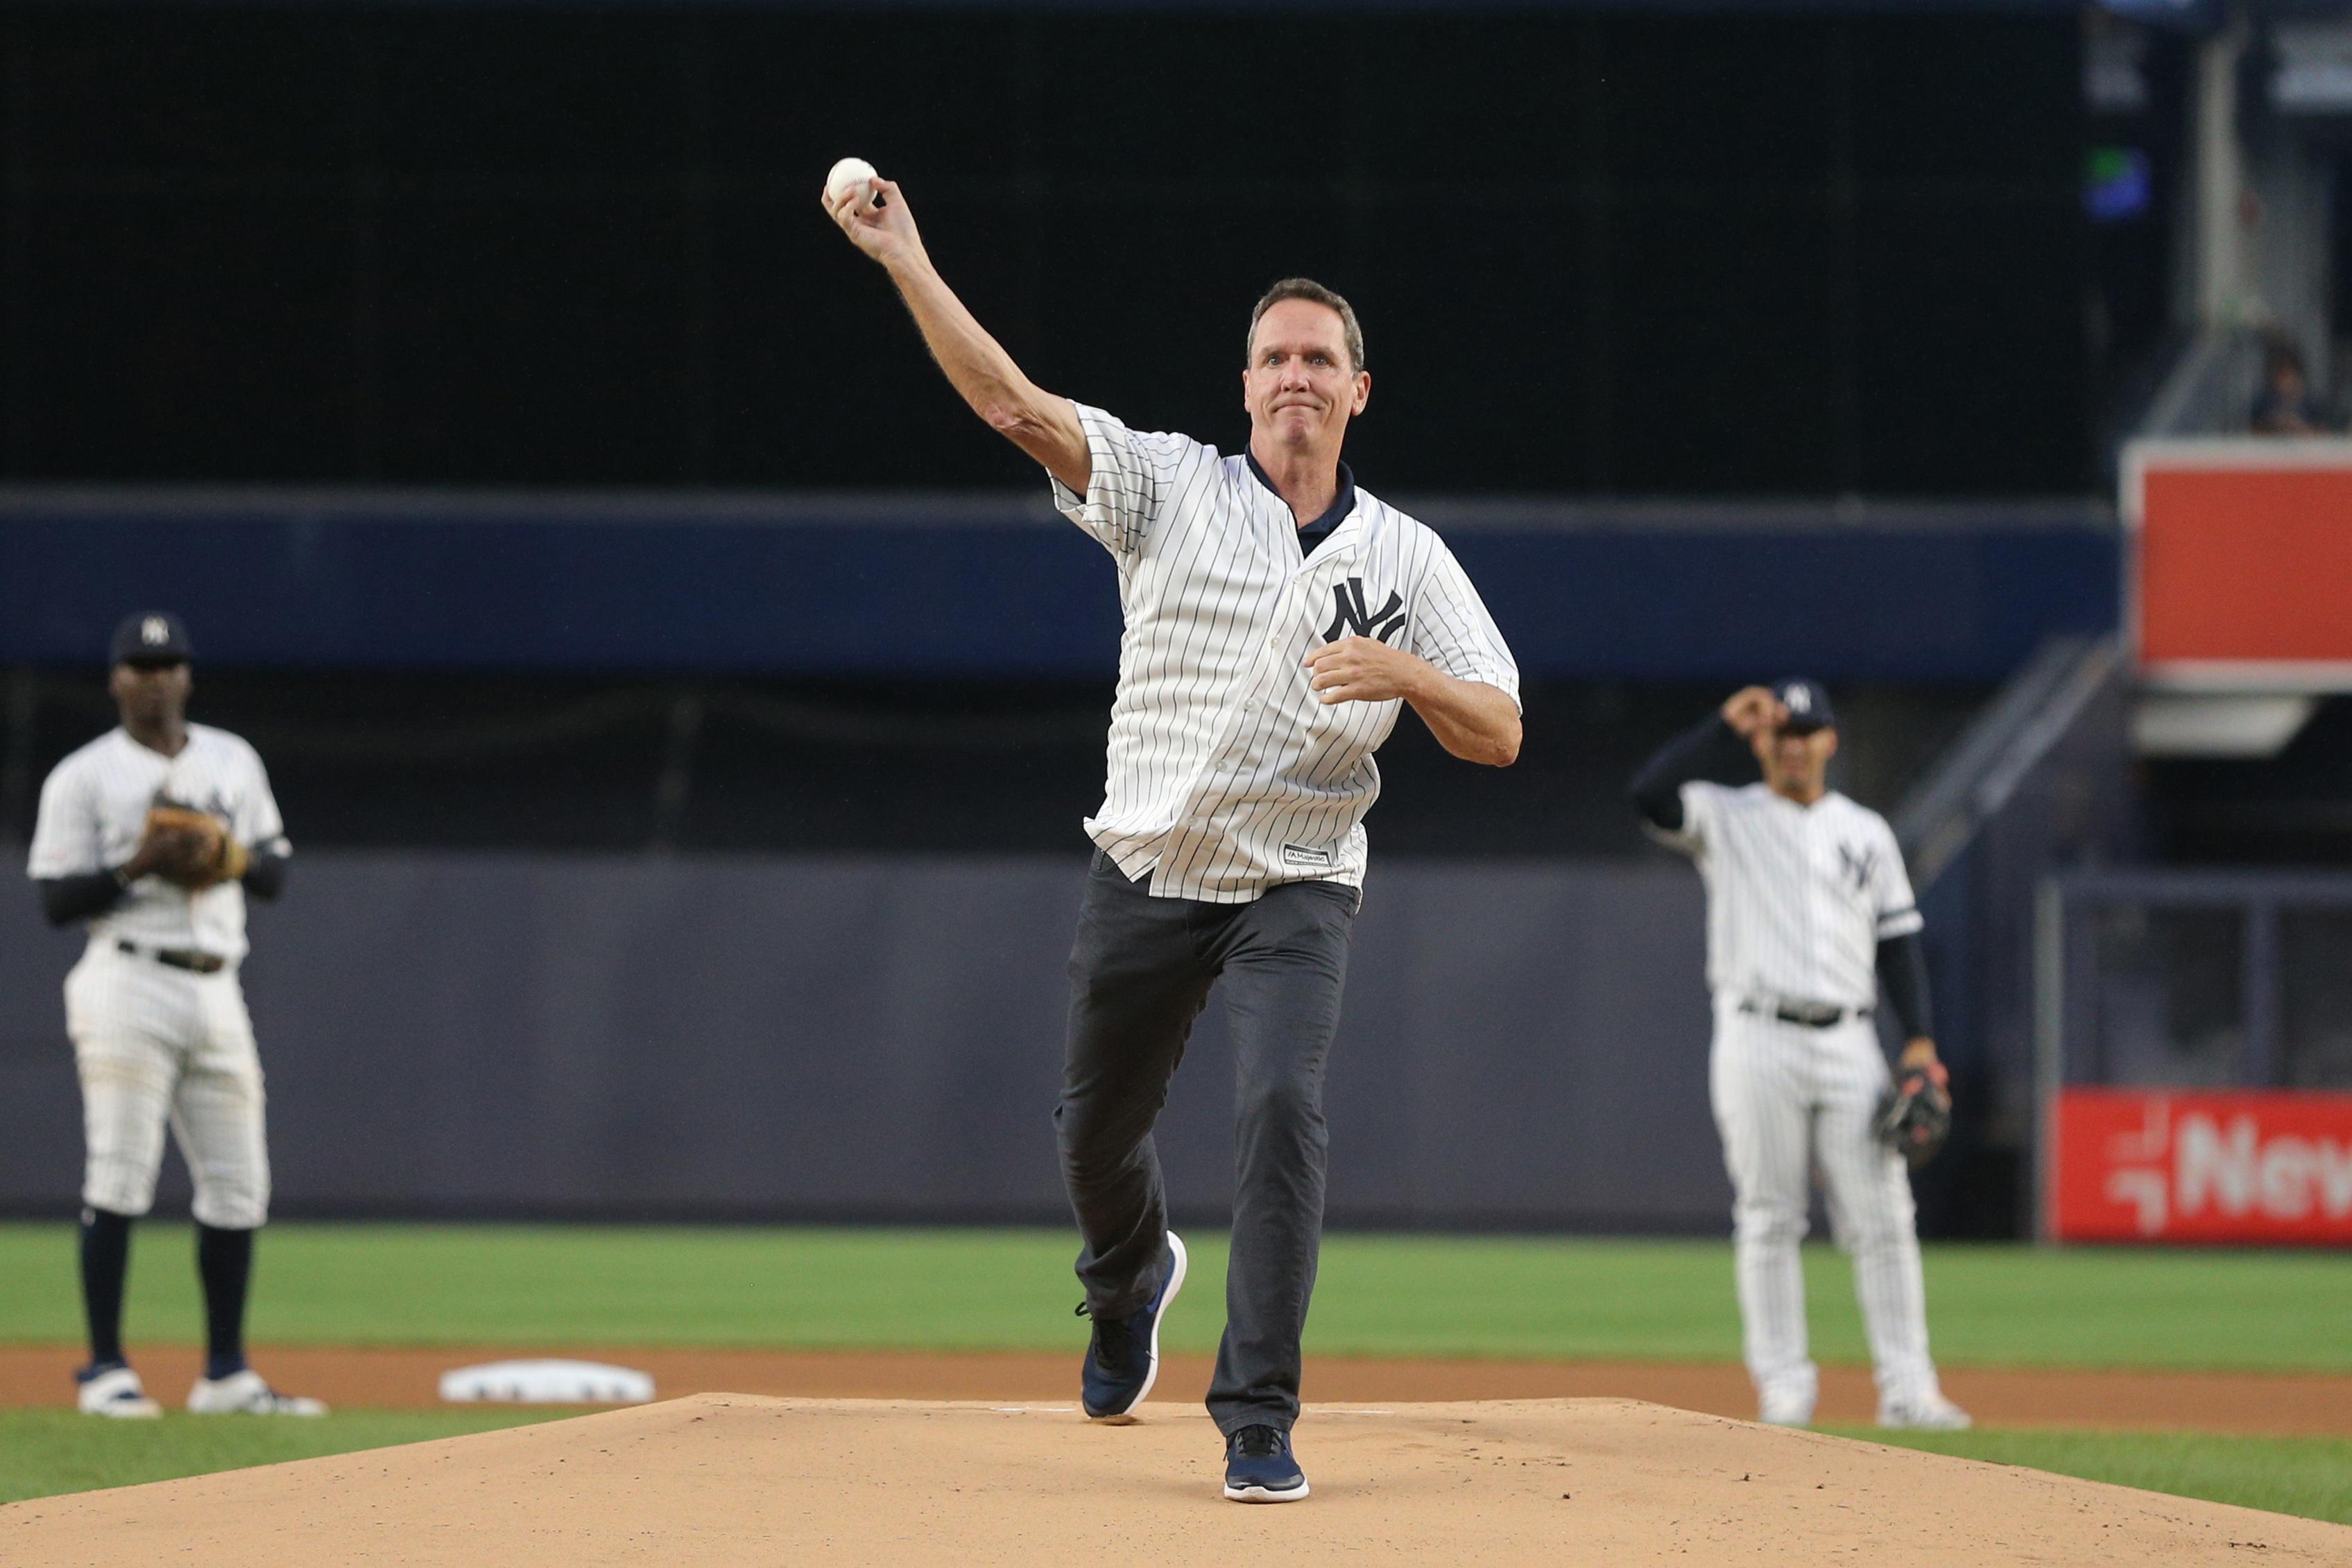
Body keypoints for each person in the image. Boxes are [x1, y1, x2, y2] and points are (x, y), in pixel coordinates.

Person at [823, 171, 1520, 1501]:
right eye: (1275, 357)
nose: (1296, 376)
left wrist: (1408, 676)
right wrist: (907, 257)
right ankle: (1127, 1273)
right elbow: (1012, 405)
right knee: (1092, 1130)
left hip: (1300, 878)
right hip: (1147, 862)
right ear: (1245, 383)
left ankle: (1257, 1415)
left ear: (1358, 391)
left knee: (1279, 1108)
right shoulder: (1166, 486)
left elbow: (1499, 727)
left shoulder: (1409, 559)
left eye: (1321, 357)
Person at [1629, 680, 1968, 1431]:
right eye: (1780, 732)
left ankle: (1909, 1388)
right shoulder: (1725, 815)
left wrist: (1918, 1042)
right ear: (1762, 742)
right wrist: (1721, 724)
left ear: (1829, 741)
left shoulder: (1866, 831)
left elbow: (1899, 939)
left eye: (1805, 730)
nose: (1792, 743)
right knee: (1768, 1215)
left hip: (1851, 1039)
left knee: (1883, 1216)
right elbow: (1647, 793)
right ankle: (1784, 1388)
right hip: (1755, 1033)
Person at [26, 612, 325, 1418]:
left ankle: (226, 1371)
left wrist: (224, 852)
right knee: (119, 1170)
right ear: (116, 679)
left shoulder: (232, 759)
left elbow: (274, 870)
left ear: (187, 676)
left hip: (217, 983)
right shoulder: (83, 777)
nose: (156, 677)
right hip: (127, 976)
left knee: (238, 1183)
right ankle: (104, 1370)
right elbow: (56, 900)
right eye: (140, 665)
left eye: (169, 663)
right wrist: (141, 861)